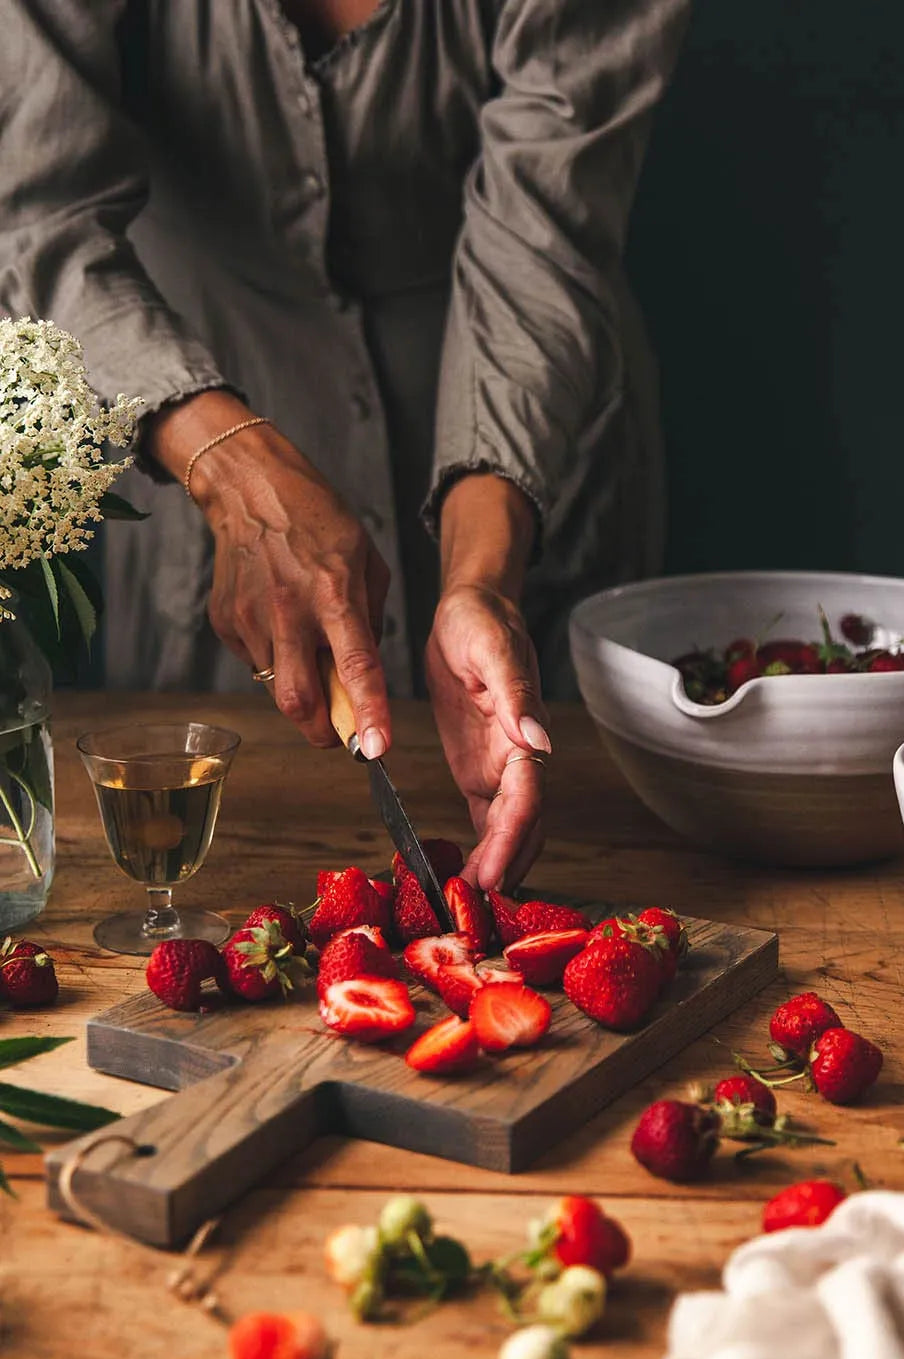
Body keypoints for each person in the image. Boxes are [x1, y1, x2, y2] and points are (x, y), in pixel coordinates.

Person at [0, 0, 690, 889]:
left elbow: (543, 243)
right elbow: (32, 212)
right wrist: (228, 469)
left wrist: (481, 581)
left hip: (534, 437)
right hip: (180, 411)